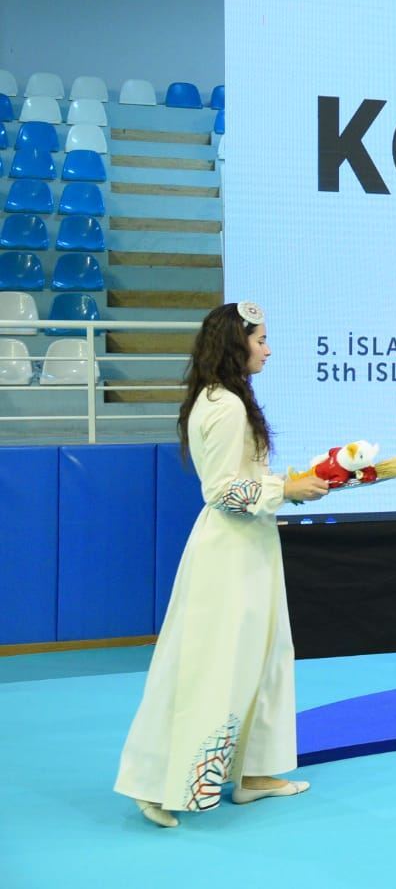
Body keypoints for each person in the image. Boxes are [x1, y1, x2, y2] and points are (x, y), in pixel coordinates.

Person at [115, 302, 330, 828]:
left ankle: (257, 773)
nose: (269, 349)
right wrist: (287, 488)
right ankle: (155, 783)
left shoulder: (225, 398)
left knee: (265, 655)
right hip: (229, 553)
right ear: (238, 343)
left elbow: (243, 479)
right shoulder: (226, 405)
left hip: (249, 546)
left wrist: (291, 489)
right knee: (210, 666)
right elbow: (222, 491)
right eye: (261, 339)